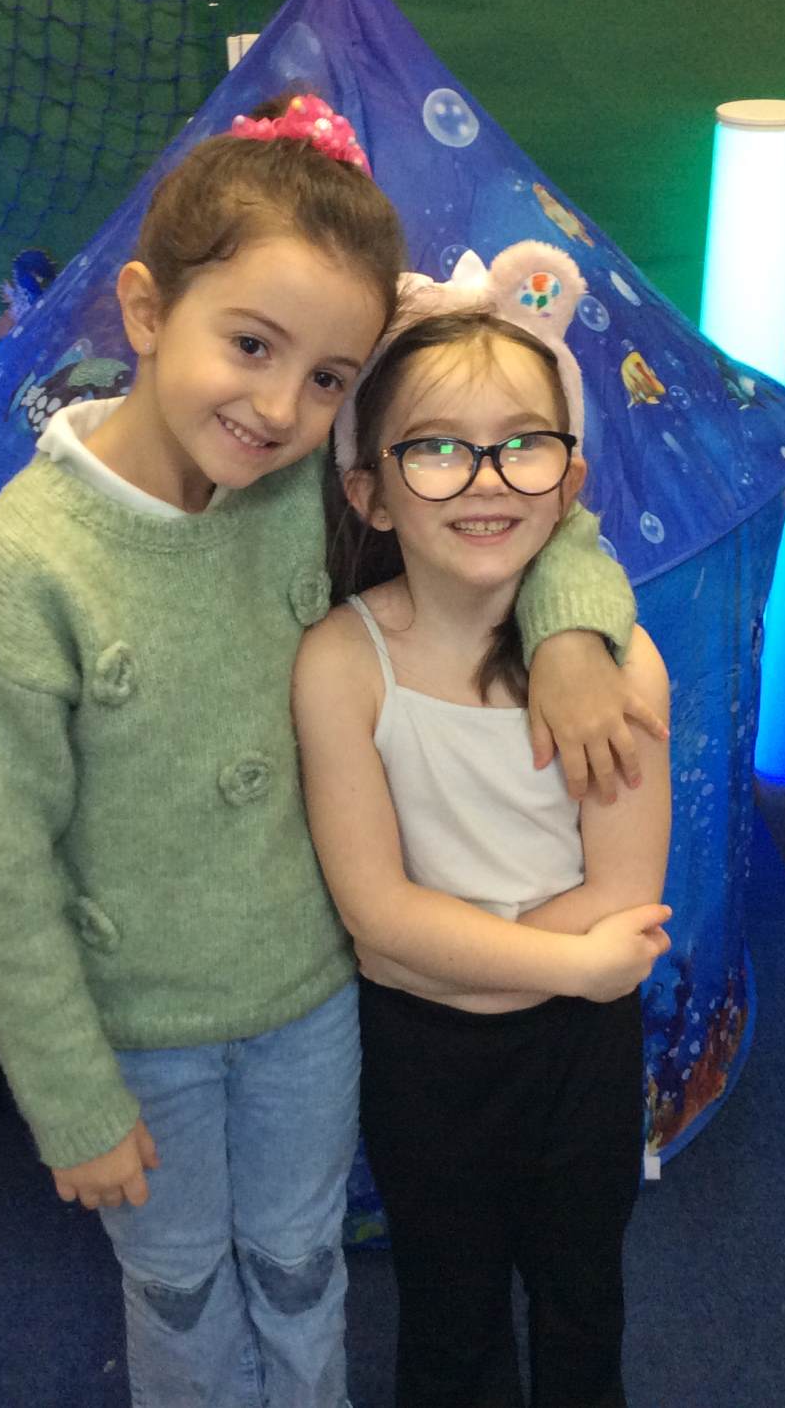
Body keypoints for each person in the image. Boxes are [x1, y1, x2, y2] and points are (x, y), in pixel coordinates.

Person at [0, 98, 658, 1407]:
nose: (279, 406)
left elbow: (519, 499)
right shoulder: (23, 580)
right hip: (142, 1024)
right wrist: (71, 1097)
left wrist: (567, 631)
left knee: (303, 1262)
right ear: (146, 311)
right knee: (181, 1285)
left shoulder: (296, 477)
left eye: (327, 379)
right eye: (251, 345)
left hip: (307, 1006)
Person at [293, 241, 674, 1408]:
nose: (487, 480)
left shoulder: (625, 668)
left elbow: (622, 895)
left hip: (578, 1056)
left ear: (570, 479)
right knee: (448, 1314)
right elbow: (376, 922)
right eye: (437, 449)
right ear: (370, 490)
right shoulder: (341, 663)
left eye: (523, 444)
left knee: (582, 1297)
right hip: (428, 1057)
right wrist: (567, 964)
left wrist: (451, 955)